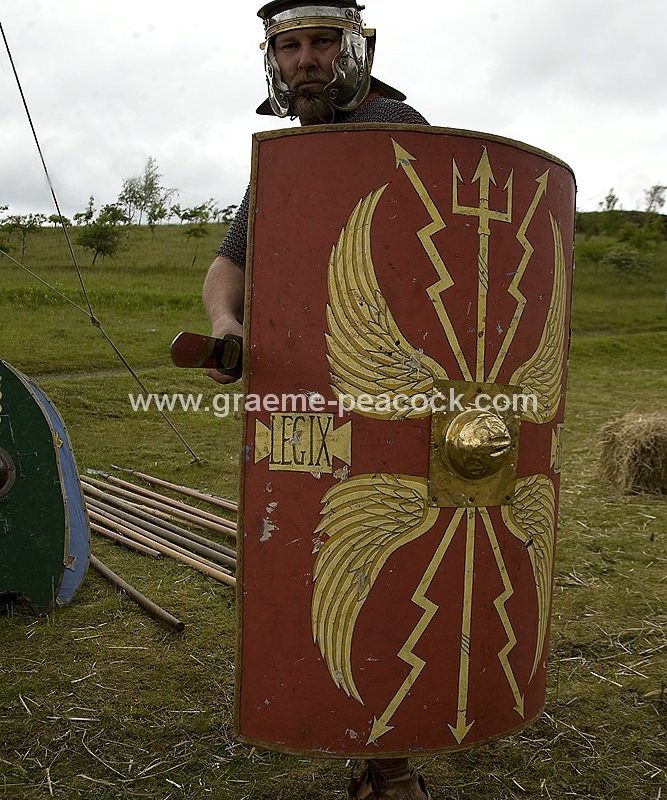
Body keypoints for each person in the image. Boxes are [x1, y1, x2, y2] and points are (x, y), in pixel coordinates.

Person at [203, 3, 431, 798]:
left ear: (355, 47)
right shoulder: (287, 156)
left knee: (395, 556)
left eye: (321, 42)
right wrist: (226, 324)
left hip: (401, 394)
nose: (305, 59)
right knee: (308, 545)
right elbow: (228, 267)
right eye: (289, 46)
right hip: (304, 399)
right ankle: (335, 705)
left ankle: (392, 755)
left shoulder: (400, 127)